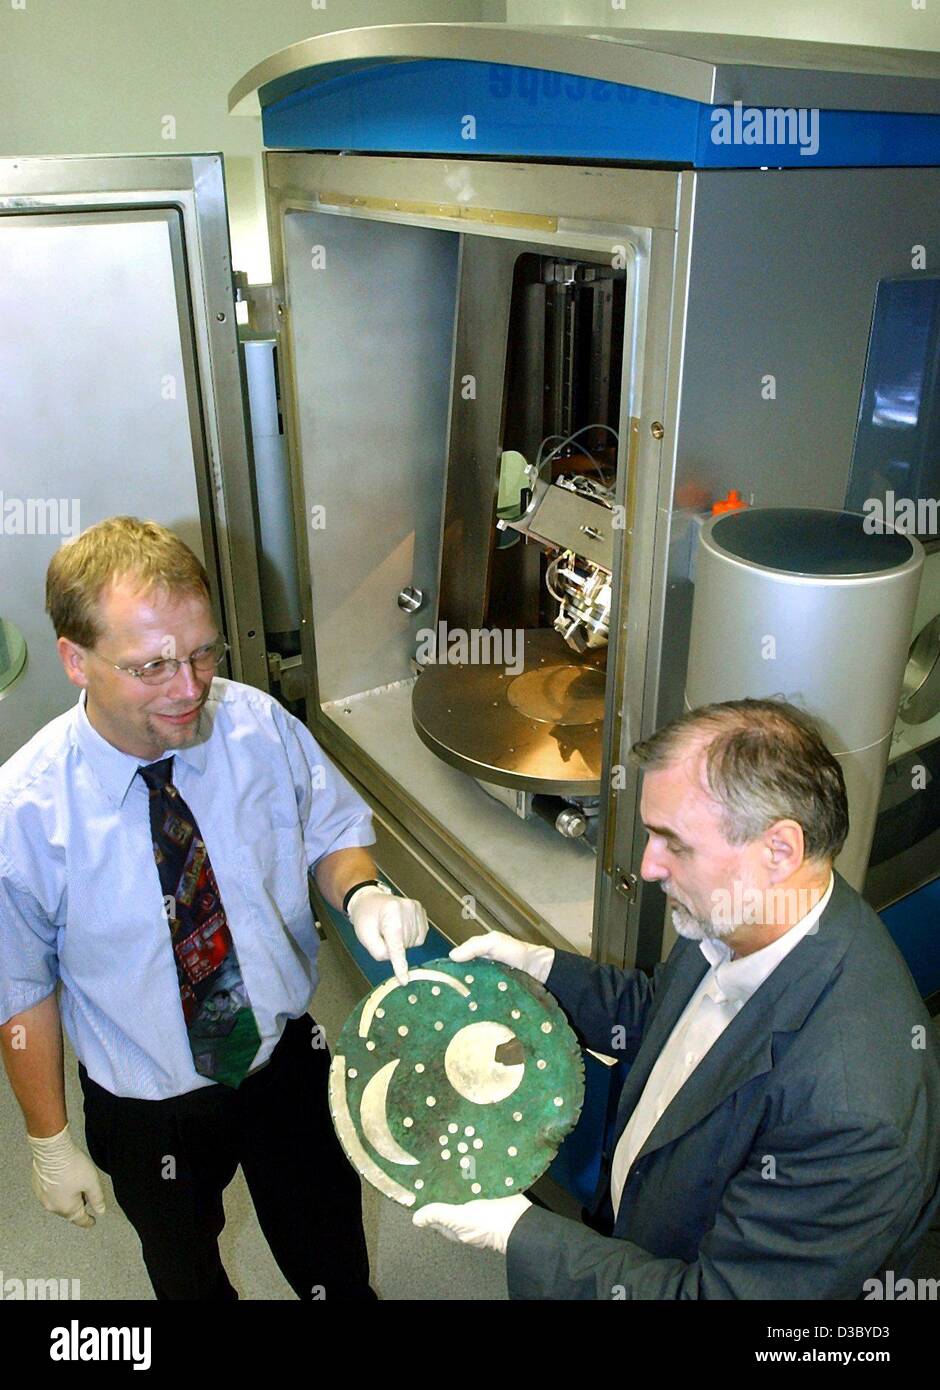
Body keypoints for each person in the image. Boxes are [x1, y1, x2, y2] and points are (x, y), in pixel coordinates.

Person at [0, 515, 429, 1300]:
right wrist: (48, 1137)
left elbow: (329, 830)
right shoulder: (25, 812)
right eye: (153, 666)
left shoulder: (257, 726)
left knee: (332, 1261)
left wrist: (361, 890)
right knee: (188, 1280)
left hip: (281, 1063)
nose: (190, 687)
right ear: (74, 660)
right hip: (147, 1102)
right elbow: (21, 985)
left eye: (202, 653)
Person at [414, 699, 940, 1299]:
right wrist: (544, 970)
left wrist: (520, 1234)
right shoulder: (745, 913)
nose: (649, 866)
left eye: (674, 843)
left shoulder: (851, 1114)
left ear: (780, 851)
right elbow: (663, 1015)